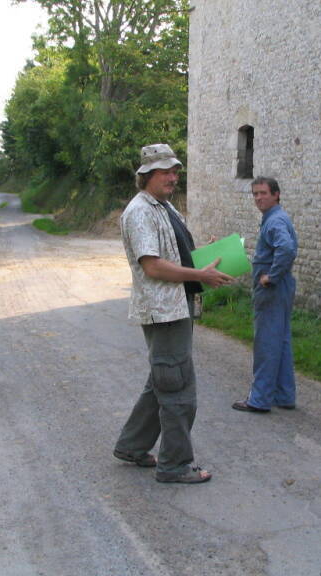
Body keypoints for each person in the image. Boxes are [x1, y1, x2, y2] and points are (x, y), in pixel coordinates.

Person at [113, 143, 234, 484]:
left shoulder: (165, 208)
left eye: (175, 171)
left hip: (177, 307)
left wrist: (203, 255)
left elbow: (175, 255)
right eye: (166, 171)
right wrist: (202, 275)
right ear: (147, 175)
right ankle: (174, 465)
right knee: (178, 389)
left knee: (162, 381)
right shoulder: (140, 212)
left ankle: (132, 446)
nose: (173, 177)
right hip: (164, 313)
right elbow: (152, 266)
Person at [232, 177, 298, 413]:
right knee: (280, 341)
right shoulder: (275, 218)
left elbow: (287, 248)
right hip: (281, 289)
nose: (259, 198)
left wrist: (271, 276)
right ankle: (284, 395)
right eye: (255, 194)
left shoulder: (274, 221)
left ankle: (259, 400)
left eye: (263, 193)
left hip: (272, 289)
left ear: (276, 194)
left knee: (266, 344)